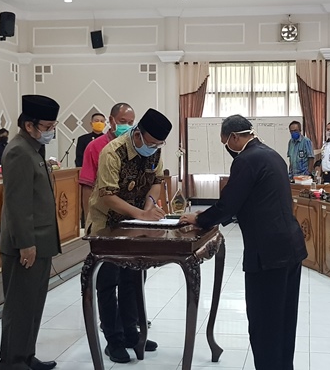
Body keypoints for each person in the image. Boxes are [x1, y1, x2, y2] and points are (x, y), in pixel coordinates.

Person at [178, 115, 306, 370]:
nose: (227, 146)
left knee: (264, 322)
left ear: (235, 137)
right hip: (291, 247)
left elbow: (228, 205)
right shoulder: (271, 154)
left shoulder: (246, 160)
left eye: (225, 141)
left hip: (267, 254)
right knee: (284, 319)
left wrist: (198, 218)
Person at [86, 108, 170, 363]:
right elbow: (107, 195)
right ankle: (114, 339)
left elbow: (156, 180)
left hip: (135, 222)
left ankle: (132, 333)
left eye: (159, 144)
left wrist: (149, 206)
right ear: (139, 134)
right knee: (108, 281)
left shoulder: (154, 151)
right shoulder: (113, 151)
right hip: (107, 224)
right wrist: (141, 215)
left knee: (134, 276)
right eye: (152, 143)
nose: (154, 148)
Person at [0, 95, 62, 370]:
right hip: (25, 245)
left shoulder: (34, 149)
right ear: (28, 124)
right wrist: (26, 244)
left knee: (34, 305)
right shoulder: (18, 151)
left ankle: (26, 355)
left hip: (41, 242)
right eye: (46, 126)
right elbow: (18, 203)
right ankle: (12, 362)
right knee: (19, 306)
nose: (50, 131)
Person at [79, 103, 135, 225]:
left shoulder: (134, 146)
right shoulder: (94, 146)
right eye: (122, 121)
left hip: (131, 213)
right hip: (102, 213)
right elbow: (87, 185)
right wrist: (89, 219)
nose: (127, 126)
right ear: (111, 120)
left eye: (131, 123)